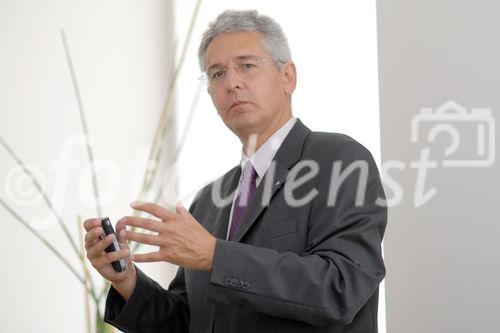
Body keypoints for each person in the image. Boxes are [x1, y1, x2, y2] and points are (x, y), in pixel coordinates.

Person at [84, 9, 387, 333]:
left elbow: (340, 289)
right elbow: (189, 323)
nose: (231, 83)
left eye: (246, 65)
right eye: (216, 74)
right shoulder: (210, 201)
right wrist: (127, 280)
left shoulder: (339, 161)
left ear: (288, 76)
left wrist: (216, 256)